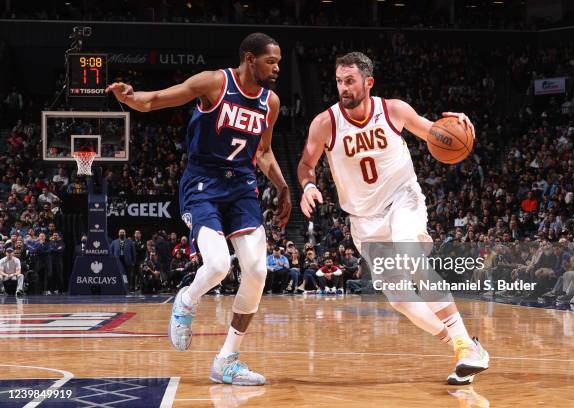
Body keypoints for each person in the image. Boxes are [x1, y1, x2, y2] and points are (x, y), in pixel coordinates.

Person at [106, 32, 291, 385]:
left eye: (279, 61)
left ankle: (227, 360)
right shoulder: (215, 82)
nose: (277, 67)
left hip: (242, 186)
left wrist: (283, 186)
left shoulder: (271, 102)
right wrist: (132, 98)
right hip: (203, 182)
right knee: (219, 265)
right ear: (249, 58)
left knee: (256, 271)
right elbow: (158, 99)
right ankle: (187, 300)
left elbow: (263, 152)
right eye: (271, 60)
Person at [297, 52, 488, 386]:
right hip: (364, 220)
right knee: (401, 300)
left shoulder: (393, 110)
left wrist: (458, 127)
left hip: (403, 199)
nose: (343, 87)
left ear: (368, 82)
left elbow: (435, 134)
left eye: (350, 81)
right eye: (339, 81)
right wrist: (308, 185)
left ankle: (465, 347)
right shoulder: (325, 122)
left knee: (410, 257)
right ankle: (464, 345)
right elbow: (305, 163)